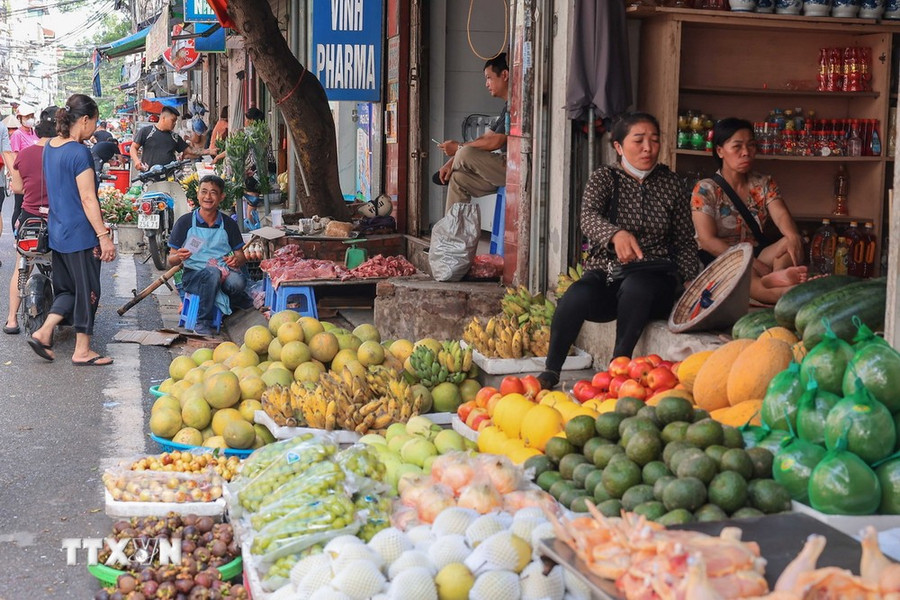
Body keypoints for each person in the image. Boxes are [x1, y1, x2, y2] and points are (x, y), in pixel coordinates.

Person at [535, 112, 699, 390]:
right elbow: (587, 217)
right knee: (576, 295)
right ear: (619, 147)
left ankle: (617, 367)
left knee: (638, 286)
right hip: (608, 275)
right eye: (639, 140)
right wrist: (615, 234)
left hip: (653, 283)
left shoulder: (671, 184)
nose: (648, 148)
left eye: (654, 140)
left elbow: (684, 241)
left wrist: (689, 279)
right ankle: (550, 371)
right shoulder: (605, 178)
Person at [26, 94, 116, 365]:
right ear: (85, 120)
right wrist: (103, 236)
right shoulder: (80, 153)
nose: (94, 129)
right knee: (88, 290)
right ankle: (82, 350)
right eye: (95, 122)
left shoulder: (51, 147)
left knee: (68, 291)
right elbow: (88, 199)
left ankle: (43, 331)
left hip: (58, 232)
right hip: (80, 235)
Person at [691, 118, 807, 305]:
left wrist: (793, 236)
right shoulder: (705, 189)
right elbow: (707, 240)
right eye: (737, 146)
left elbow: (781, 214)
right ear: (720, 151)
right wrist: (750, 261)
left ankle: (778, 277)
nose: (746, 153)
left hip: (756, 251)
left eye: (751, 145)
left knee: (788, 241)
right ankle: (782, 294)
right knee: (746, 274)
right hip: (722, 257)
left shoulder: (763, 183)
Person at [167, 175, 249, 336]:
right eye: (204, 192)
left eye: (213, 192)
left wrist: (236, 260)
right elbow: (171, 260)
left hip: (223, 275)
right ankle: (202, 321)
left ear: (221, 197)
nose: (208, 197)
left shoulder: (229, 224)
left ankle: (228, 310)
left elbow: (241, 256)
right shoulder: (185, 222)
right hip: (193, 277)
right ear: (197, 195)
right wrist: (179, 257)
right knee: (212, 272)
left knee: (238, 282)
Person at [4, 106, 57, 335]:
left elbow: (16, 187)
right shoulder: (65, 153)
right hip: (57, 218)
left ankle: (11, 320)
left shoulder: (24, 154)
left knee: (21, 266)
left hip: (28, 218)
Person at [436, 53, 510, 213]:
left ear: (504, 75)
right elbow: (486, 137)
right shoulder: (507, 107)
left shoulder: (517, 104)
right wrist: (451, 162)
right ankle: (453, 234)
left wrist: (458, 148)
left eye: (489, 78)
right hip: (500, 172)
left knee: (465, 153)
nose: (486, 84)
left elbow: (494, 143)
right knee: (457, 179)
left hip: (514, 169)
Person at [129, 106, 199, 171]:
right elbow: (133, 147)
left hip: (169, 178)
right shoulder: (146, 131)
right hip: (149, 176)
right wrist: (136, 161)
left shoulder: (175, 137)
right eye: (173, 120)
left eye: (175, 121)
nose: (174, 123)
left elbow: (190, 151)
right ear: (163, 118)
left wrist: (207, 151)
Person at [9, 103, 40, 235]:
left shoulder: (35, 133)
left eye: (31, 116)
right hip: (22, 175)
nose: (29, 119)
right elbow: (15, 157)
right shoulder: (17, 134)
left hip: (36, 175)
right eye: (26, 116)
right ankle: (17, 235)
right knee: (20, 205)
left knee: (34, 206)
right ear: (20, 118)